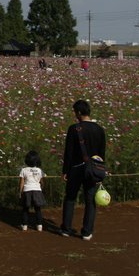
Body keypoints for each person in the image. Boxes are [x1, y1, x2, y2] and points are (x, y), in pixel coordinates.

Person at [60, 99, 106, 241]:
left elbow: (69, 152)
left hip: (76, 168)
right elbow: (101, 153)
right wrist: (100, 169)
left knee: (70, 198)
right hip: (92, 169)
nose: (74, 114)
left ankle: (66, 229)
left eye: (75, 112)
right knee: (90, 200)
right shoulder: (99, 129)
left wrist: (65, 170)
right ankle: (87, 232)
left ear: (79, 112)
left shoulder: (74, 128)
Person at [18, 150, 46, 231]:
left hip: (27, 191)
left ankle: (24, 225)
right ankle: (39, 225)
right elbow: (42, 182)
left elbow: (22, 182)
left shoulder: (24, 170)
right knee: (38, 209)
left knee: (25, 209)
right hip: (37, 190)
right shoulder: (39, 170)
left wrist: (20, 191)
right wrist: (42, 189)